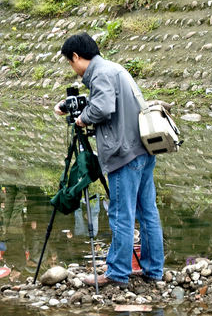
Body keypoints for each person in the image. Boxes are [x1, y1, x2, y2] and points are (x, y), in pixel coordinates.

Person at [56, 33, 163, 288]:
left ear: (76, 57)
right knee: (147, 213)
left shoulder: (101, 74)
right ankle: (153, 270)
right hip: (143, 151)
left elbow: (102, 108)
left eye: (71, 63)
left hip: (124, 155)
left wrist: (82, 118)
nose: (73, 69)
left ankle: (116, 272)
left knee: (121, 215)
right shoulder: (114, 69)